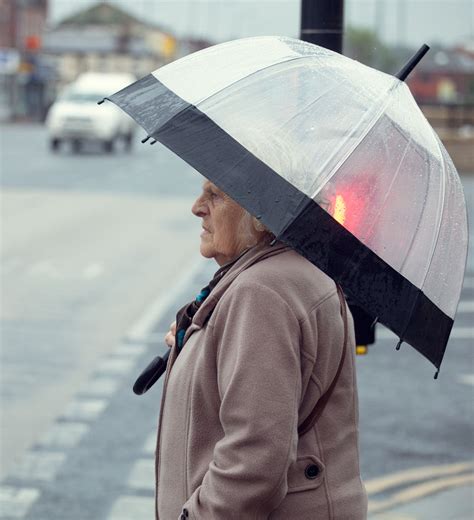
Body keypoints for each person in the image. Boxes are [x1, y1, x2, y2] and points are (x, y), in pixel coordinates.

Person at [156, 180, 367, 520]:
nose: (197, 207)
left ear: (262, 214)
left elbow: (254, 457)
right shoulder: (287, 272)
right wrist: (199, 341)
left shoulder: (262, 291)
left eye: (215, 195)